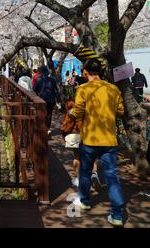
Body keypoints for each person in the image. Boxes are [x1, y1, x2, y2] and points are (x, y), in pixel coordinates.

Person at [70, 58, 125, 227]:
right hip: (109, 140)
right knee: (112, 176)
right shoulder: (113, 89)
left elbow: (78, 112)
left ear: (85, 71)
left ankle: (85, 201)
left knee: (85, 172)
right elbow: (121, 111)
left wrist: (72, 113)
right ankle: (117, 215)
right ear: (100, 71)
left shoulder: (83, 89)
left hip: (90, 139)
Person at [62, 99, 100, 188]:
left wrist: (64, 133)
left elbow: (67, 126)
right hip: (87, 135)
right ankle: (94, 173)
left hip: (75, 136)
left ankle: (79, 179)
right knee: (92, 156)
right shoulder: (85, 111)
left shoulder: (70, 112)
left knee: (77, 157)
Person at [33, 65, 61, 133]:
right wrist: (58, 99)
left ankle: (42, 128)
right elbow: (56, 90)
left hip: (41, 99)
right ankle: (47, 128)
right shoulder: (52, 80)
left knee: (41, 113)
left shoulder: (38, 79)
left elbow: (34, 88)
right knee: (49, 114)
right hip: (51, 100)